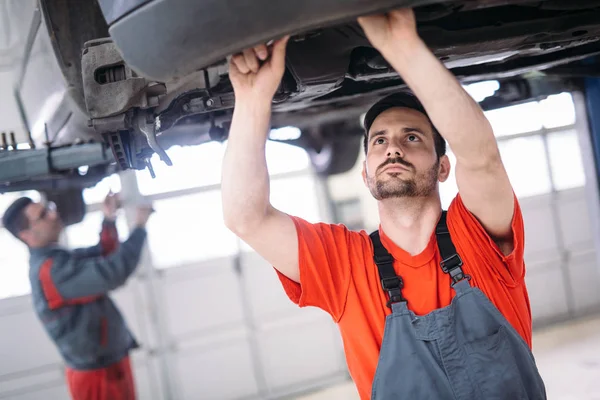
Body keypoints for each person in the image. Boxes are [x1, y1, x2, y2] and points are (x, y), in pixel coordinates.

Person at [222, 7, 547, 400]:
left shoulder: (477, 237)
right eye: (379, 141)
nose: (392, 147)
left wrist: (404, 49)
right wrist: (253, 99)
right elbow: (245, 217)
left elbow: (481, 157)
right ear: (366, 174)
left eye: (412, 137)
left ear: (443, 167)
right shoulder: (345, 265)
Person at [1, 192, 153, 400]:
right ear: (26, 235)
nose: (53, 215)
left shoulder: (57, 258)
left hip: (109, 364)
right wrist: (139, 228)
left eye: (49, 209)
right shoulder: (50, 271)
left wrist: (109, 218)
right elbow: (113, 272)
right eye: (43, 215)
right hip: (97, 378)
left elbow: (104, 254)